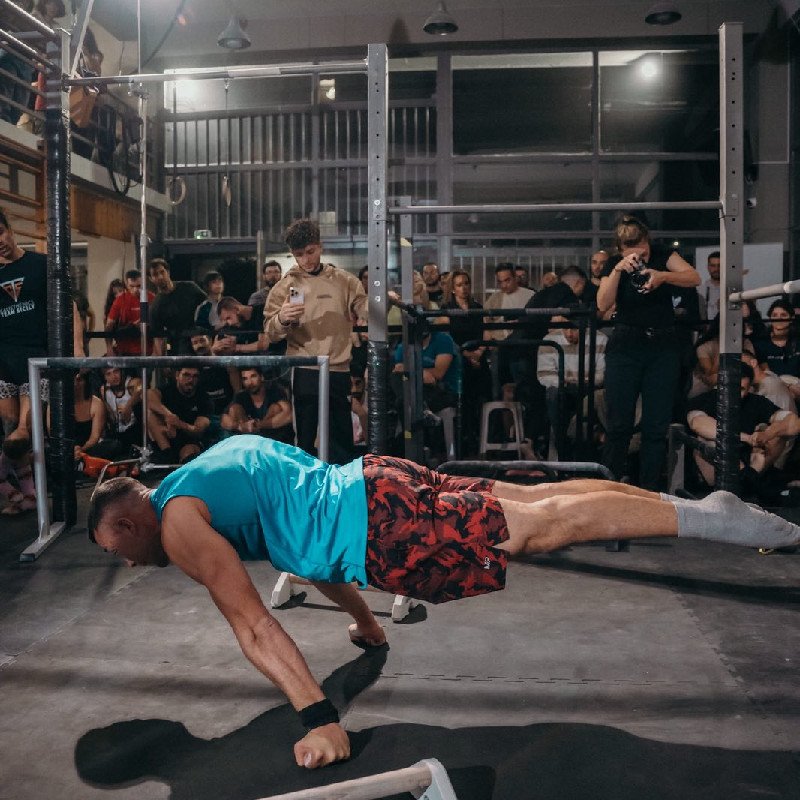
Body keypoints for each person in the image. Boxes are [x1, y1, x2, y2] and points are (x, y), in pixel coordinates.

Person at [87, 435, 800, 770]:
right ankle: (701, 506)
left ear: (126, 521)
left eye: (114, 548)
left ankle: (712, 520)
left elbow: (251, 622)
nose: (124, 560)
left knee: (545, 526)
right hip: (374, 480)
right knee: (531, 500)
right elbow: (297, 545)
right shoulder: (206, 472)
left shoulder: (179, 524)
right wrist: (365, 620)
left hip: (383, 528)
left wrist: (318, 718)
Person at [597, 215, 700, 490]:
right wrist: (618, 270)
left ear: (647, 240)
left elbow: (693, 277)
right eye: (629, 247)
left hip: (662, 345)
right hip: (626, 344)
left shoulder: (664, 254)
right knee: (618, 424)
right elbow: (603, 304)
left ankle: (649, 491)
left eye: (641, 245)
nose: (638, 252)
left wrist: (663, 276)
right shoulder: (613, 263)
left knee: (656, 427)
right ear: (620, 249)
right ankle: (610, 489)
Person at [265, 219, 367, 465]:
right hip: (305, 369)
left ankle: (342, 493)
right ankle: (306, 494)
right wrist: (281, 318)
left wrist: (381, 301)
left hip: (338, 368)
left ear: (320, 247)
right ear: (293, 255)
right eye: (299, 255)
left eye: (310, 252)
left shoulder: (345, 281)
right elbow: (270, 333)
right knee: (305, 439)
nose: (306, 260)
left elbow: (366, 309)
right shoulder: (285, 286)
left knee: (342, 436)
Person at [687, 362, 799, 491]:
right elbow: (698, 423)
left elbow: (793, 422)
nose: (735, 393)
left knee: (779, 434)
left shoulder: (756, 402)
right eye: (731, 387)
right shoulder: (705, 400)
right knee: (708, 440)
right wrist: (745, 438)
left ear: (749, 388)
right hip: (717, 468)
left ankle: (748, 479)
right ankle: (742, 479)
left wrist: (767, 434)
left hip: (753, 463)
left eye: (741, 389)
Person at [146, 367, 211, 464]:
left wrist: (178, 423)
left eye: (195, 376)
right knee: (150, 412)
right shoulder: (167, 389)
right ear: (177, 375)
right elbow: (148, 395)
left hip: (188, 440)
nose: (190, 380)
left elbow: (198, 430)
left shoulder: (204, 398)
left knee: (189, 452)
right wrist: (168, 415)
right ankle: (167, 454)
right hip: (166, 438)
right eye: (186, 375)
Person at [147, 258, 206, 356]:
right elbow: (158, 338)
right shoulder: (155, 307)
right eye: (155, 274)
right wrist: (163, 363)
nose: (160, 277)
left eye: (162, 272)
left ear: (168, 272)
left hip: (201, 340)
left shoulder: (189, 287)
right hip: (180, 349)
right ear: (151, 279)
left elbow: (209, 305)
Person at [221, 368, 294, 444]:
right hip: (248, 440)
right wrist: (241, 426)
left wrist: (259, 425)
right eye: (245, 379)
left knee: (276, 408)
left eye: (253, 376)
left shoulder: (274, 391)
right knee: (234, 409)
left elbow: (289, 415)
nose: (250, 382)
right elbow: (224, 421)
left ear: (261, 377)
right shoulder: (241, 396)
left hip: (272, 440)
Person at [104, 269, 153, 356]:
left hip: (148, 350)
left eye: (138, 286)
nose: (135, 289)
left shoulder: (151, 297)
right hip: (125, 350)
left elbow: (160, 325)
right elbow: (109, 325)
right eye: (131, 286)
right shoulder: (120, 300)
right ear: (126, 285)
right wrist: (109, 348)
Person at [754, 298, 800, 387]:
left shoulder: (797, 341)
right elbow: (766, 374)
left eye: (783, 315)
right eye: (774, 315)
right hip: (774, 387)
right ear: (770, 318)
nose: (779, 318)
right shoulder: (761, 343)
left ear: (791, 318)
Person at [99, 366, 143, 456]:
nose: (114, 376)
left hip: (135, 431)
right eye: (108, 374)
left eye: (116, 371)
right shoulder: (104, 390)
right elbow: (111, 418)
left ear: (122, 371)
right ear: (105, 377)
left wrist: (128, 406)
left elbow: (141, 386)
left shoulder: (132, 384)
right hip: (117, 433)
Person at [699, 251, 721, 321]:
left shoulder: (732, 289)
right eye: (713, 265)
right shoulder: (701, 289)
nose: (716, 269)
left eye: (719, 265)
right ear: (708, 267)